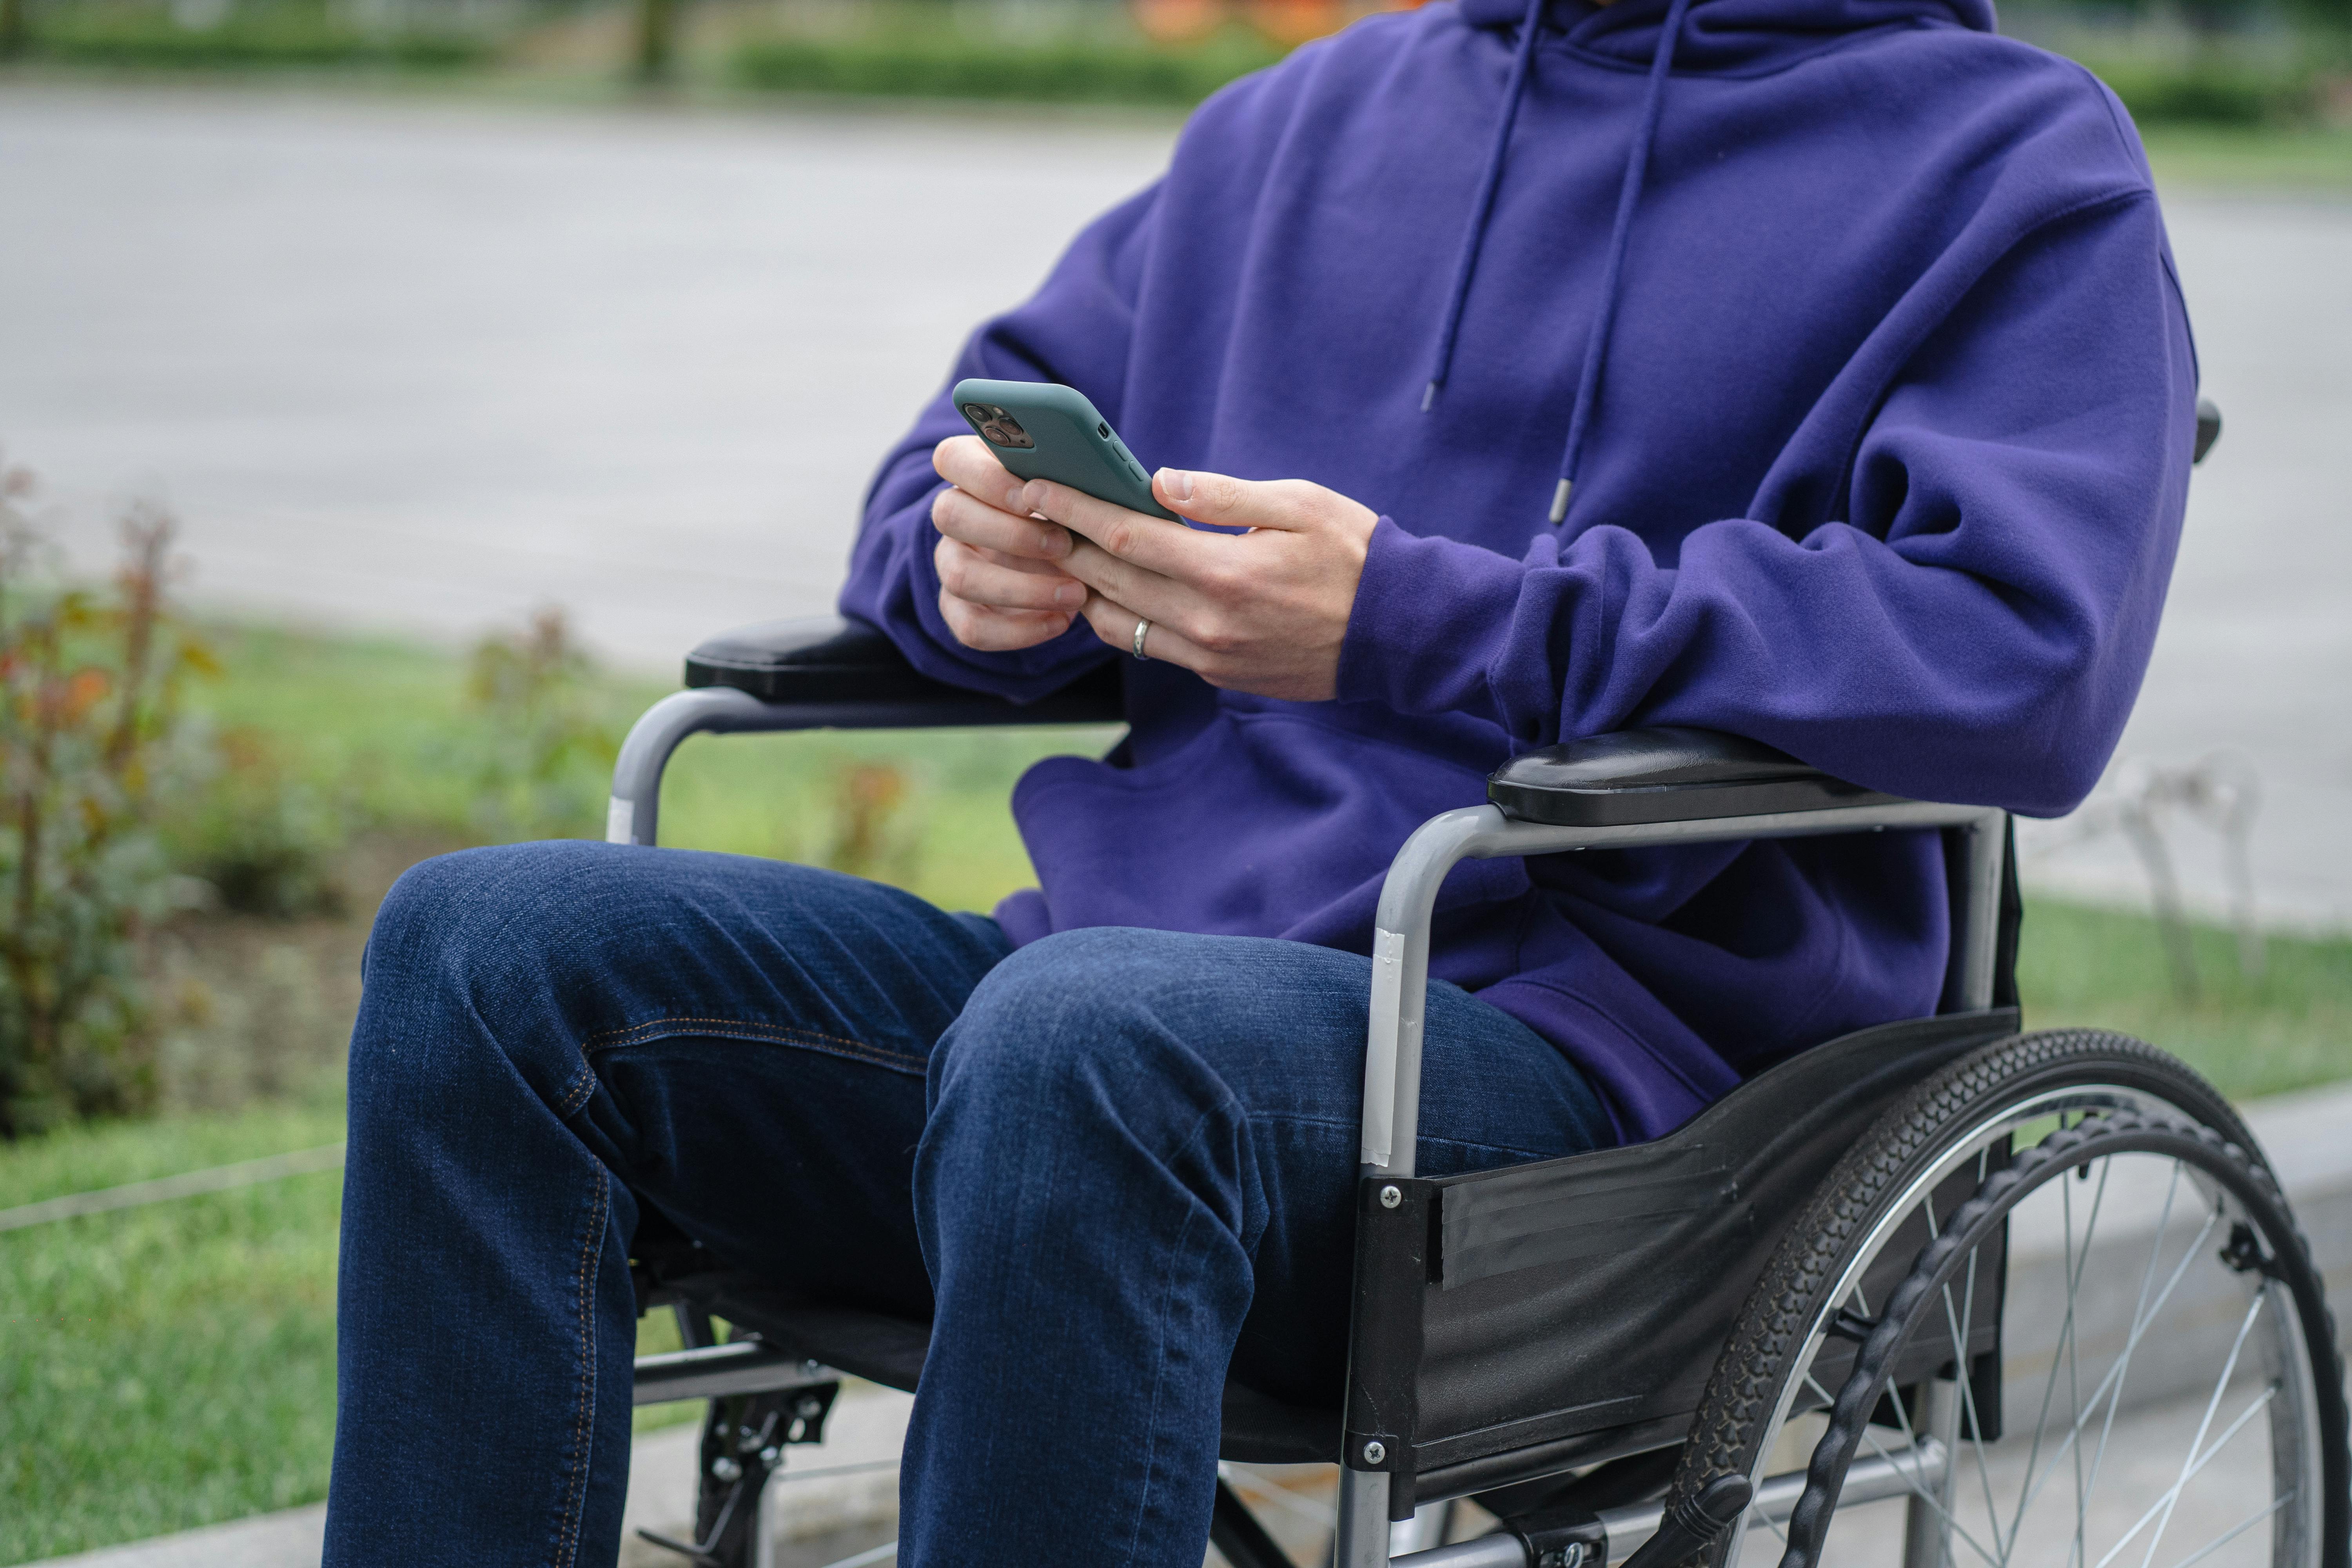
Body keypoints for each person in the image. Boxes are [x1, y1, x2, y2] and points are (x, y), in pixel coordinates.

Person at [321, 0, 2195, 1556]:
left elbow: (2024, 659)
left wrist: (1424, 620)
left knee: (1092, 1043)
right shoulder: (1306, 121)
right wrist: (974, 571)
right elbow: (958, 456)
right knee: (488, 953)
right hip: (1107, 1016)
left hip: (1605, 1071)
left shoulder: (2013, 162)